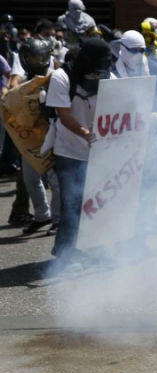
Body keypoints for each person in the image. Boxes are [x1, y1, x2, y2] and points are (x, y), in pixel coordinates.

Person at [45, 39, 114, 268]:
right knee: (73, 203)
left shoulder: (108, 76)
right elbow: (63, 115)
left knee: (99, 200)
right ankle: (65, 254)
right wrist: (85, 133)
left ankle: (96, 247)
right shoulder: (61, 77)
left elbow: (122, 104)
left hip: (99, 151)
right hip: (70, 150)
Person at [14, 38, 61, 235]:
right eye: (34, 57)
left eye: (42, 57)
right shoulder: (25, 81)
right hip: (30, 138)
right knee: (30, 178)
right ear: (25, 58)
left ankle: (59, 219)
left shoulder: (54, 78)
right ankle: (43, 215)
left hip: (51, 135)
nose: (39, 61)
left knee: (56, 181)